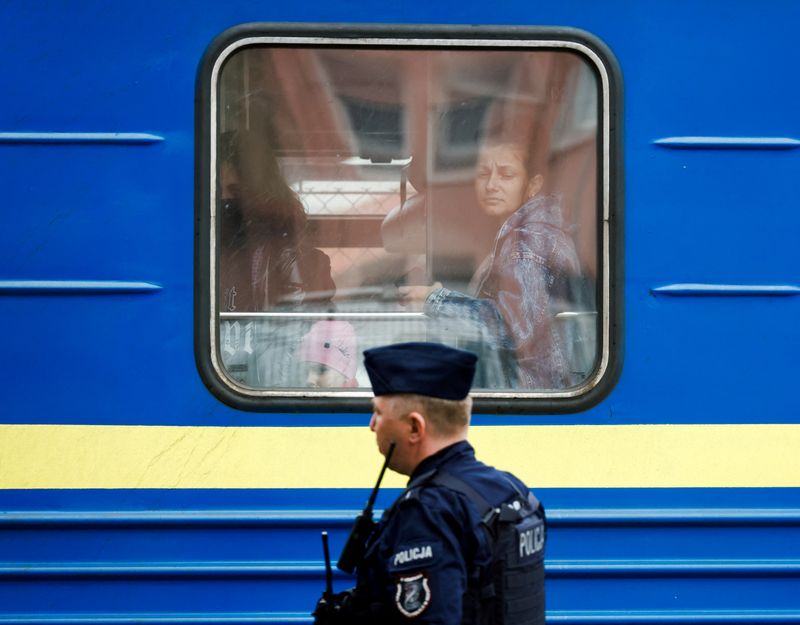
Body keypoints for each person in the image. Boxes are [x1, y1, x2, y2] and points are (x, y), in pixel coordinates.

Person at [314, 342, 546, 625]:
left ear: (414, 427)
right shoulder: (510, 490)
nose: (372, 424)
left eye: (378, 412)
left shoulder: (429, 511)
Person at [404, 142, 582, 390]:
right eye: (483, 174)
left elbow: (511, 328)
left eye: (506, 175)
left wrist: (436, 300)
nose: (491, 185)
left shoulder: (528, 241)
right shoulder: (524, 233)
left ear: (533, 184)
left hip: (526, 395)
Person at [297, 320, 358, 388]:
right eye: (305, 372)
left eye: (321, 371)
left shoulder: (367, 397)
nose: (309, 380)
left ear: (345, 374)